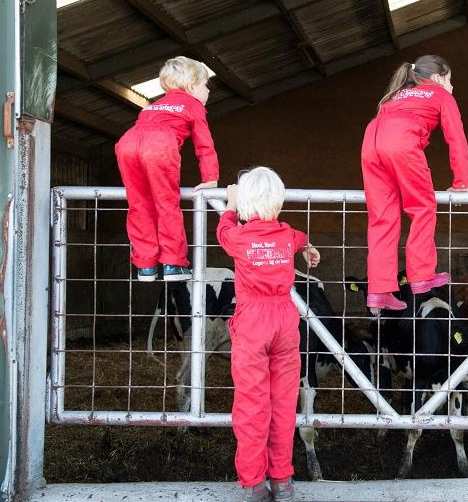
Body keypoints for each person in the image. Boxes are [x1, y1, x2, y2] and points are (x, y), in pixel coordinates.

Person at [217, 167, 320, 502]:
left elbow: (223, 228)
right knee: (283, 403)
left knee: (252, 405)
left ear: (247, 202)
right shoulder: (287, 235)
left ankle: (253, 483)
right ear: (279, 202)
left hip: (252, 323)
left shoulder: (237, 236)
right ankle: (283, 481)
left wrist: (231, 205)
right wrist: (308, 247)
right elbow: (299, 238)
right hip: (285, 323)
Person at [360, 55, 468, 311]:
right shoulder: (442, 95)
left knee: (382, 218)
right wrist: (461, 182)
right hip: (400, 142)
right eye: (450, 80)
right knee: (422, 208)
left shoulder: (395, 96)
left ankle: (379, 290)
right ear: (437, 77)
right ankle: (421, 277)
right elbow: (457, 140)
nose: (451, 86)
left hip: (371, 142)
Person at [115, 55, 220, 282]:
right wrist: (211, 178)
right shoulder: (193, 104)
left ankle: (146, 266)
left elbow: (144, 130)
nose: (208, 91)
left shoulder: (153, 105)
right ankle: (173, 264)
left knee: (139, 205)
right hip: (159, 145)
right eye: (205, 86)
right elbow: (204, 144)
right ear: (192, 86)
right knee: (166, 204)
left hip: (128, 142)